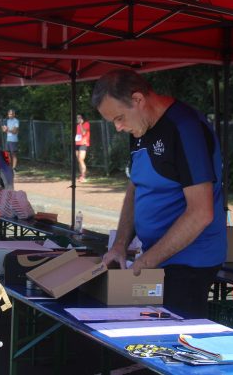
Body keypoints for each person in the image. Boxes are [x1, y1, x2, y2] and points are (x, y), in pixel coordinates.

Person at [92, 69, 226, 319]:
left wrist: (148, 260)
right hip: (159, 259)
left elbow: (201, 212)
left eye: (119, 118)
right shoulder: (140, 128)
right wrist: (120, 244)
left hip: (190, 263)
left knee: (171, 342)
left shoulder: (185, 128)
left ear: (138, 99)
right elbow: (136, 187)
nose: (119, 128)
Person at [75, 113, 90, 183]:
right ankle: (81, 176)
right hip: (77, 144)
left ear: (82, 118)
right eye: (77, 118)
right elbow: (78, 135)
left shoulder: (86, 124)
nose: (78, 119)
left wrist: (81, 124)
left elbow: (84, 133)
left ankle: (84, 176)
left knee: (81, 159)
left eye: (79, 118)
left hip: (83, 144)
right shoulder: (77, 125)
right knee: (79, 160)